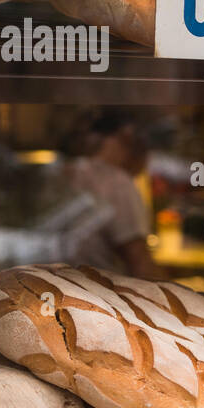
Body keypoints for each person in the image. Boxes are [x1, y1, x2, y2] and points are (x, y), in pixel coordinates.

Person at [64, 110, 165, 280]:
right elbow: (139, 261)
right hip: (99, 295)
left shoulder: (71, 170)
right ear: (128, 138)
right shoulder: (117, 182)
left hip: (59, 290)